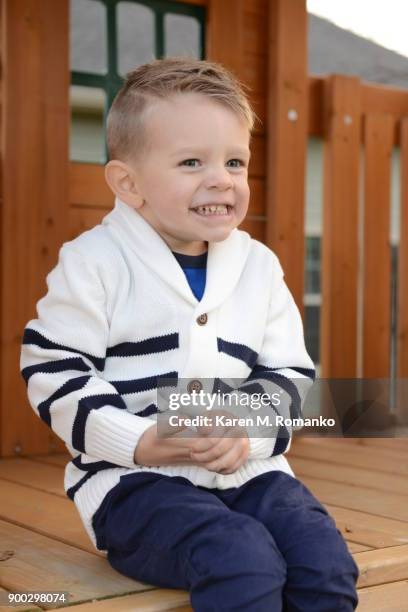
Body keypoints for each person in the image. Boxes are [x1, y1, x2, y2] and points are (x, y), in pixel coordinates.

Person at [20, 57, 359, 611]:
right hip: (134, 485)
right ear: (128, 183)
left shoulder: (259, 266)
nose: (221, 179)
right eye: (191, 162)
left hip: (249, 472)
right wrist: (138, 440)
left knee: (322, 559)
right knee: (239, 556)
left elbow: (289, 375)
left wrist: (244, 431)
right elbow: (54, 370)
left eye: (234, 161)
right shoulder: (95, 262)